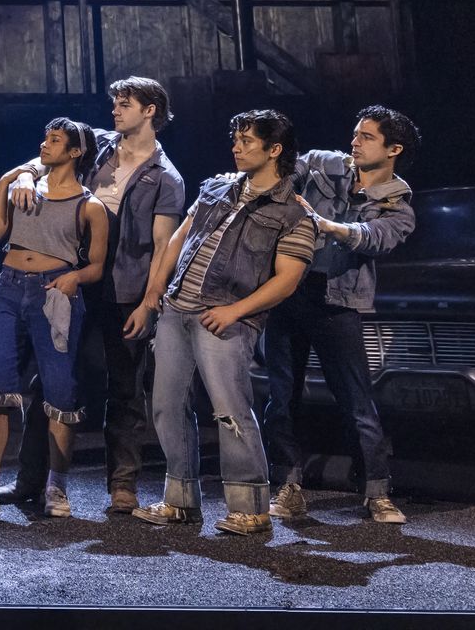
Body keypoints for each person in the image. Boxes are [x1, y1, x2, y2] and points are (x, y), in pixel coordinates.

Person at [1, 76, 185, 513]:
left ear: (150, 110)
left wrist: (149, 302)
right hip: (74, 278)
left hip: (125, 292)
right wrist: (26, 174)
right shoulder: (97, 145)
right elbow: (42, 157)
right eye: (115, 103)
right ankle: (31, 478)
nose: (115, 110)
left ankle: (123, 485)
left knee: (124, 389)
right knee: (49, 379)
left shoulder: (166, 177)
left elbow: (163, 247)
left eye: (125, 104)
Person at [134, 109, 316, 537]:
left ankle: (251, 506)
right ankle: (179, 501)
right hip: (178, 308)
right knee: (166, 405)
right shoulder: (215, 187)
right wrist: (154, 294)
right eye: (235, 138)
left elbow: (287, 281)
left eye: (247, 140)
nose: (236, 146)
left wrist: (236, 311)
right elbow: (179, 237)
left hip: (225, 318)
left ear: (275, 150)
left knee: (231, 410)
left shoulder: (294, 214)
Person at [265, 106, 420, 525]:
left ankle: (376, 492)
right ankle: (288, 485)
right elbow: (276, 176)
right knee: (280, 396)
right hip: (287, 290)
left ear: (394, 149)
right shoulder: (321, 163)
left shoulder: (398, 206)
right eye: (355, 133)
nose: (355, 141)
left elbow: (373, 239)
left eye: (367, 136)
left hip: (338, 302)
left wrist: (326, 225)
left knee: (356, 401)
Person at [0, 119, 108, 520]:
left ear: (75, 152)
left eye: (55, 140)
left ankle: (56, 489)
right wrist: (11, 179)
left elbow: (95, 265)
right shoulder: (22, 187)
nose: (45, 144)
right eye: (44, 137)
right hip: (8, 287)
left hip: (53, 292)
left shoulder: (90, 206)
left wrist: (74, 277)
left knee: (60, 389)